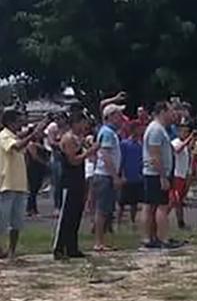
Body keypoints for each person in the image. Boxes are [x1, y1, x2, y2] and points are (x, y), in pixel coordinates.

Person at [0, 109, 49, 261]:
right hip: (6, 183)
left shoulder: (13, 135)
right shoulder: (4, 136)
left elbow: (24, 136)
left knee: (17, 222)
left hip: (19, 184)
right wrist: (33, 135)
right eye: (18, 120)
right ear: (10, 122)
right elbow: (17, 145)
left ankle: (12, 252)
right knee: (2, 221)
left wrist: (41, 125)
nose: (21, 123)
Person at [53, 111, 99, 259]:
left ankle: (72, 247)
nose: (85, 126)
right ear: (76, 123)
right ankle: (59, 248)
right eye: (83, 123)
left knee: (75, 215)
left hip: (79, 180)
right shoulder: (68, 139)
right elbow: (73, 160)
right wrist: (89, 152)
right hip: (69, 181)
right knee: (66, 216)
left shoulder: (79, 139)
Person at [141, 103, 175, 250]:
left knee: (152, 206)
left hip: (155, 172)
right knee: (161, 206)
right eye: (170, 110)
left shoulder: (159, 129)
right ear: (162, 111)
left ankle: (152, 237)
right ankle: (162, 238)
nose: (172, 114)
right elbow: (155, 154)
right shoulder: (156, 129)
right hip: (155, 173)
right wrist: (163, 176)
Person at [91, 104, 123, 251]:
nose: (121, 118)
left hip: (105, 175)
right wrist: (115, 176)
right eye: (118, 115)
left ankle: (102, 240)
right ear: (110, 116)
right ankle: (98, 242)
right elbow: (106, 155)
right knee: (102, 210)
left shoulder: (109, 132)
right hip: (105, 175)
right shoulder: (108, 133)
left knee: (106, 210)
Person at [168, 120, 197, 230]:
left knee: (179, 201)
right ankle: (162, 219)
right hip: (176, 175)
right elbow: (177, 150)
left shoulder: (185, 144)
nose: (185, 134)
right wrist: (189, 138)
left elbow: (189, 152)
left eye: (187, 132)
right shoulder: (176, 142)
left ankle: (181, 222)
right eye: (183, 132)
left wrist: (193, 141)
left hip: (183, 174)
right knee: (173, 200)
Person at [118, 125, 143, 229]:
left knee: (134, 202)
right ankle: (118, 222)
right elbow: (121, 160)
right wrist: (122, 174)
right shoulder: (124, 144)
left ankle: (132, 221)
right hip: (126, 175)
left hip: (136, 176)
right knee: (122, 202)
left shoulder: (140, 145)